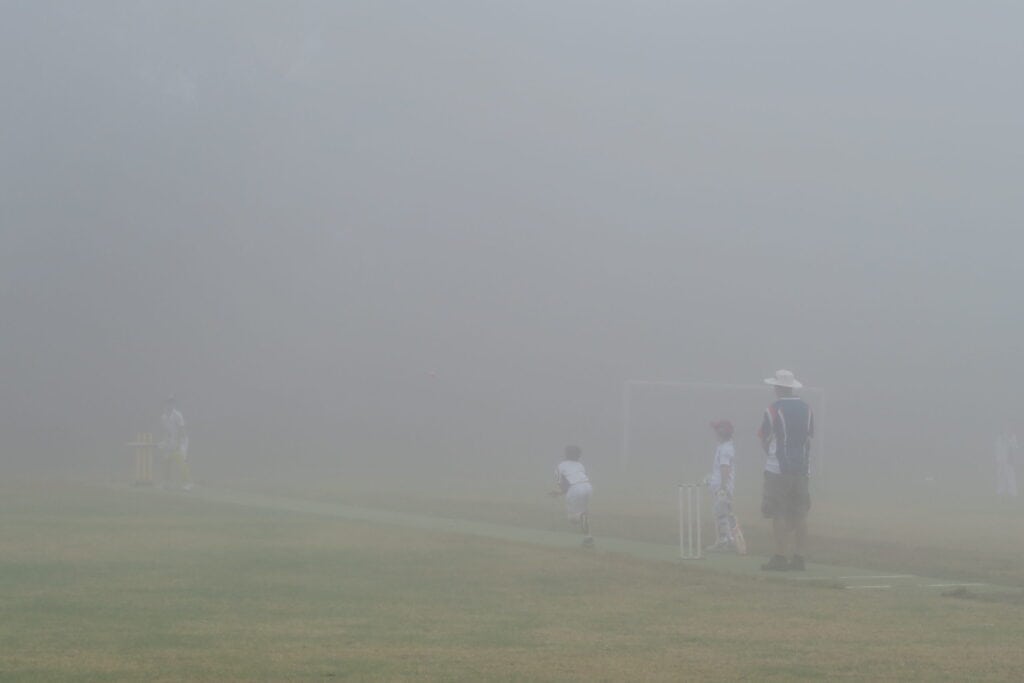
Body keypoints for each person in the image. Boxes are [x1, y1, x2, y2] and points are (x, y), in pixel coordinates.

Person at [758, 370, 813, 571]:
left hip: (778, 469)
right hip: (802, 469)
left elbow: (763, 437)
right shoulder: (807, 409)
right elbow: (808, 439)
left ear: (779, 387)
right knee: (800, 514)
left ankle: (780, 556)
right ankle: (799, 557)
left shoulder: (773, 409)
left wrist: (771, 455)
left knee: (778, 512)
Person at [705, 419, 739, 553]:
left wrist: (723, 488)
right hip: (720, 487)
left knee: (721, 514)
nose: (715, 433)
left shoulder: (725, 448)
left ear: (721, 432)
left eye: (716, 430)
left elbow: (725, 468)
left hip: (723, 488)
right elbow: (720, 469)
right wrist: (711, 480)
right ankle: (727, 541)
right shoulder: (724, 447)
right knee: (722, 514)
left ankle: (725, 541)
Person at [550, 445, 593, 547]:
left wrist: (558, 492)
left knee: (573, 519)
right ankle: (587, 537)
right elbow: (579, 480)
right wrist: (559, 493)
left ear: (566, 454)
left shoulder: (561, 466)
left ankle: (588, 537)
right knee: (581, 513)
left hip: (575, 489)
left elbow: (564, 486)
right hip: (588, 487)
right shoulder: (580, 465)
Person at [159, 396, 192, 491]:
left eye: (171, 403)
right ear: (165, 404)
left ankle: (187, 484)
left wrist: (178, 445)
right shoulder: (163, 417)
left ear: (173, 404)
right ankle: (166, 483)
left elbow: (182, 431)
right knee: (166, 459)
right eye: (167, 403)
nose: (169, 405)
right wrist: (165, 442)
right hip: (172, 441)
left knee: (181, 461)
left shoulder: (178, 415)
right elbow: (166, 432)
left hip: (182, 441)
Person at [994, 426, 1018, 498]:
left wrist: (1012, 458)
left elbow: (1015, 448)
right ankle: (1000, 492)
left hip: (1009, 461)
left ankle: (1012, 492)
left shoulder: (1012, 437)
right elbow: (997, 449)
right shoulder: (999, 438)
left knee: (1010, 476)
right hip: (1001, 460)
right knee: (1000, 475)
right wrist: (998, 460)